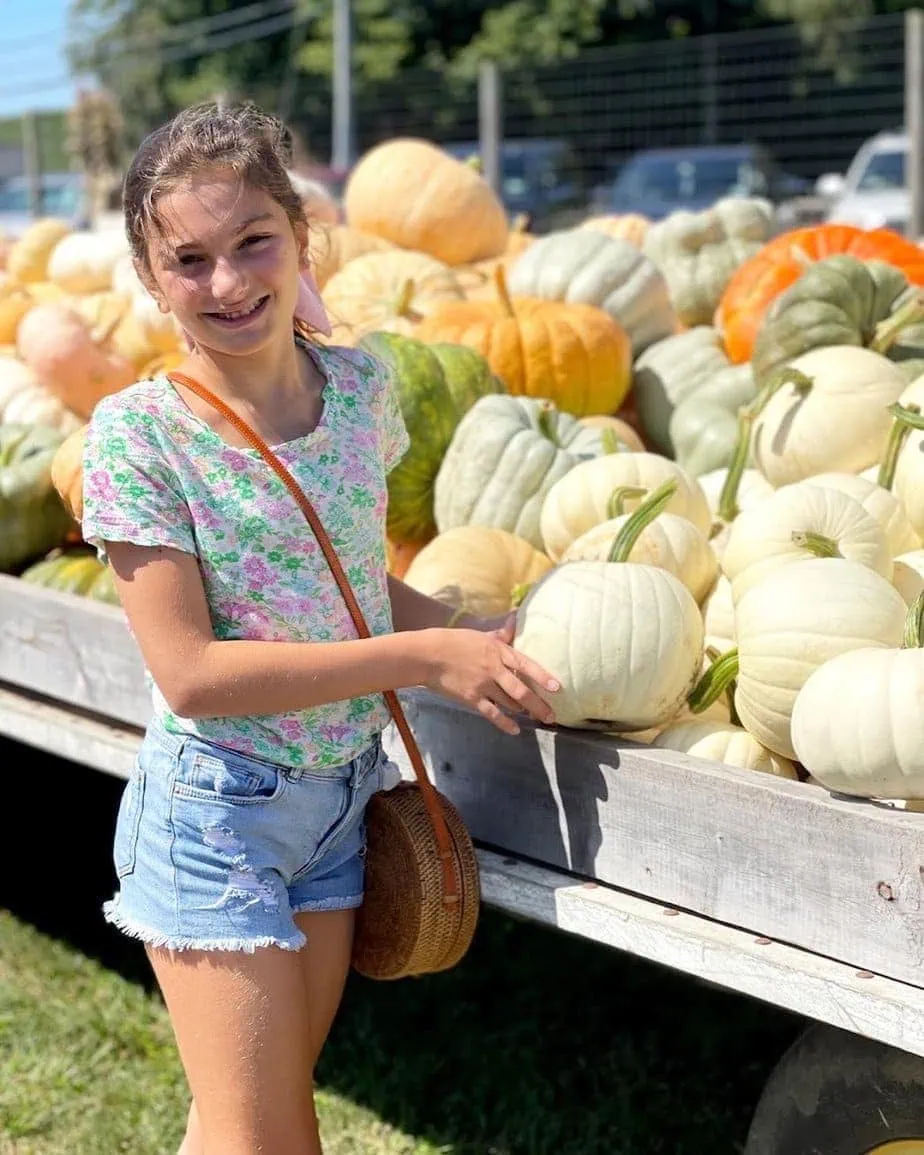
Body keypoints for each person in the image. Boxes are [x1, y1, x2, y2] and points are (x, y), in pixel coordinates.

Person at [79, 100, 560, 1155]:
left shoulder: (360, 388)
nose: (228, 281)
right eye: (190, 259)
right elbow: (193, 674)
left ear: (303, 236)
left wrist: (479, 630)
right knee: (274, 1139)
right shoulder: (137, 438)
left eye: (253, 241)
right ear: (153, 280)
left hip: (340, 804)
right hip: (218, 820)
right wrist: (425, 660)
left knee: (239, 1121)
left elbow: (349, 587)